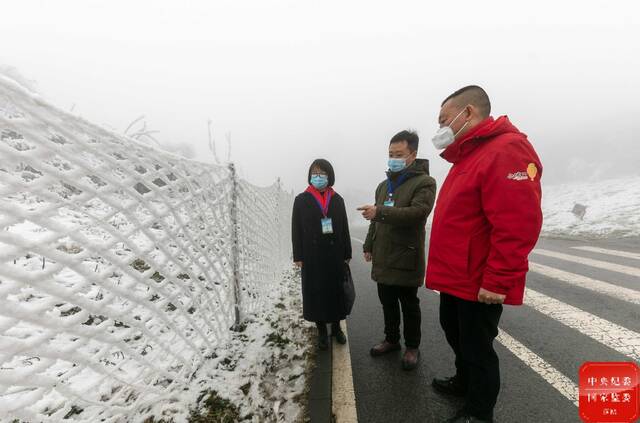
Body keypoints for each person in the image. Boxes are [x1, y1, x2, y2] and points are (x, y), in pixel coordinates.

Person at [426, 86, 543, 423]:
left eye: (444, 120)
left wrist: (498, 280)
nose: (441, 128)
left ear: (469, 113)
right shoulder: (469, 155)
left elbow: (518, 223)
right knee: (454, 332)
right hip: (457, 276)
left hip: (479, 279)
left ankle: (479, 412)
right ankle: (464, 384)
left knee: (478, 348)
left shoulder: (506, 150)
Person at [359, 130, 436, 370]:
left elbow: (417, 213)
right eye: (391, 154)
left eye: (399, 154)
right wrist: (369, 244)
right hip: (383, 255)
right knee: (387, 302)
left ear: (412, 154)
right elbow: (376, 220)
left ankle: (412, 346)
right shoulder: (384, 185)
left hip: (406, 254)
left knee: (409, 304)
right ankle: (391, 339)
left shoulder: (424, 182)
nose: (393, 158)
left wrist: (379, 211)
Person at [292, 159, 352, 350]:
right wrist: (298, 255)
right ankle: (321, 332)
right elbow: (296, 229)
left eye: (322, 173)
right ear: (310, 176)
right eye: (314, 173)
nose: (318, 177)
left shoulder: (337, 199)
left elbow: (344, 228)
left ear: (329, 176)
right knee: (316, 293)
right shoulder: (301, 200)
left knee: (335, 293)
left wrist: (347, 252)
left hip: (334, 255)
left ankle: (336, 328)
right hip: (312, 256)